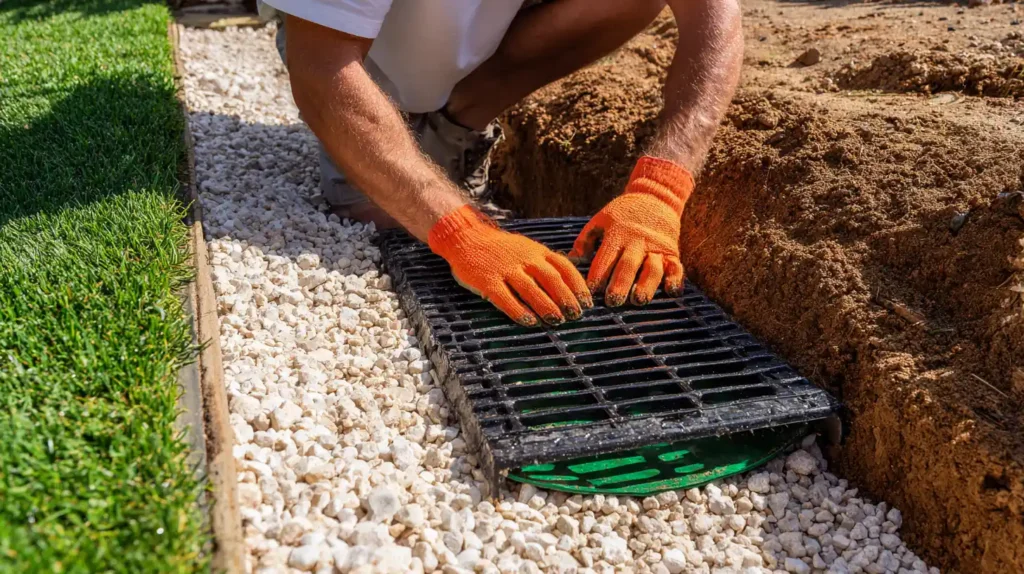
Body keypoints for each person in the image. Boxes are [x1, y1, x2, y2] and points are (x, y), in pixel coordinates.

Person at [258, 0, 743, 327]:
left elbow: (717, 18)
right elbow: (321, 66)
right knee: (384, 225)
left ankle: (456, 122)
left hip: (468, 40)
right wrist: (462, 234)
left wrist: (661, 188)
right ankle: (399, 140)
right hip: (362, 57)